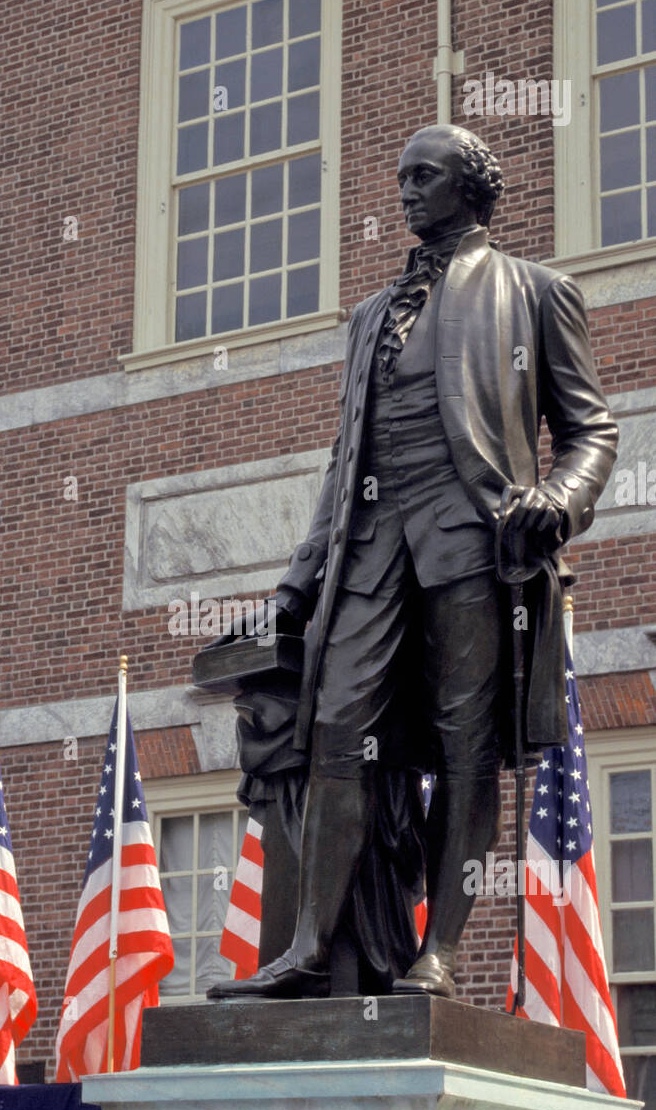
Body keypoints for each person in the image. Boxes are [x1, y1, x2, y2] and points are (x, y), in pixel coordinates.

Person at [207, 124, 618, 1002]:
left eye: (423, 176)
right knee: (335, 730)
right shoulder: (368, 316)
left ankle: (439, 951)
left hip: (476, 542)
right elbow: (342, 460)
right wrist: (293, 586)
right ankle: (310, 946)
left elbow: (591, 432)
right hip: (369, 549)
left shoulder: (535, 293)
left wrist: (557, 500)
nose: (404, 190)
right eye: (399, 177)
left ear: (471, 189)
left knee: (466, 749)